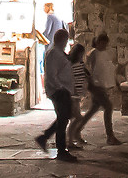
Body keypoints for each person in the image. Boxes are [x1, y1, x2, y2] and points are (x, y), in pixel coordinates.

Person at [35, 30, 79, 163]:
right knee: (63, 120)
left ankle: (44, 137)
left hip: (63, 90)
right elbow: (51, 74)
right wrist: (60, 88)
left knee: (64, 118)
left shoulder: (59, 53)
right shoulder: (54, 54)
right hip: (59, 91)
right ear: (62, 39)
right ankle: (61, 150)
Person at [82, 32, 123, 146]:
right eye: (103, 43)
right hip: (96, 86)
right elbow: (88, 69)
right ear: (98, 42)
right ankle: (110, 136)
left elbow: (108, 69)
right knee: (108, 107)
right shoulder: (93, 54)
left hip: (102, 86)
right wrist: (92, 82)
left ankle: (77, 128)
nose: (105, 46)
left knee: (93, 109)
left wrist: (115, 82)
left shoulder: (105, 54)